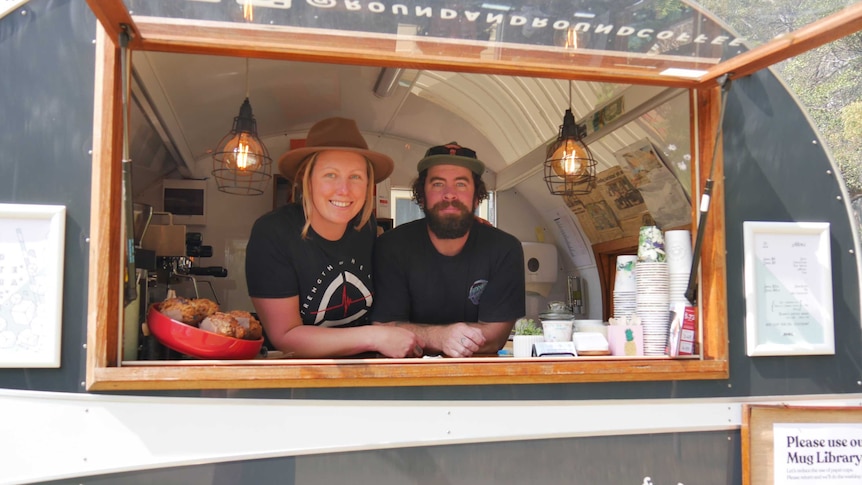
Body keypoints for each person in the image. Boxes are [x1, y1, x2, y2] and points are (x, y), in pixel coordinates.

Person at [245, 117, 424, 358]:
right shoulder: (274, 232)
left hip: (367, 374)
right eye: (330, 175)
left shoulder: (366, 226)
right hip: (303, 380)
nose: (344, 190)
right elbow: (285, 336)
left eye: (356, 177)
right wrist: (375, 337)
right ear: (307, 180)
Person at [370, 142, 526, 357]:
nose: (449, 194)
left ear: (476, 196)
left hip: (477, 379)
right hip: (405, 377)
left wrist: (423, 336)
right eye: (437, 184)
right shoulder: (391, 246)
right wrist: (440, 337)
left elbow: (495, 336)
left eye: (461, 184)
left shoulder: (504, 249)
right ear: (422, 195)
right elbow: (384, 329)